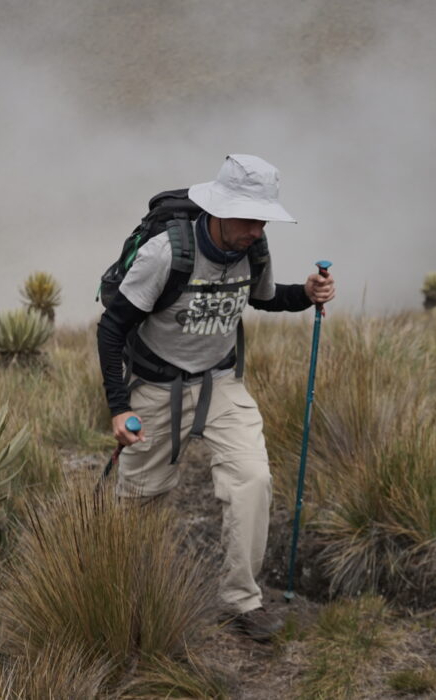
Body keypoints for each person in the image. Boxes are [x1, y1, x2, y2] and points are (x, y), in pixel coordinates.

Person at [96, 154, 336, 643]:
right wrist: (120, 406)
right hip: (157, 385)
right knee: (141, 499)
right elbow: (113, 326)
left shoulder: (254, 249)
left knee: (253, 481)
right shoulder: (166, 253)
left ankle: (240, 601)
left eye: (263, 219)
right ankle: (130, 594)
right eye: (249, 219)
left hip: (222, 382)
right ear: (219, 210)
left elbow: (263, 297)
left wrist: (306, 293)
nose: (257, 229)